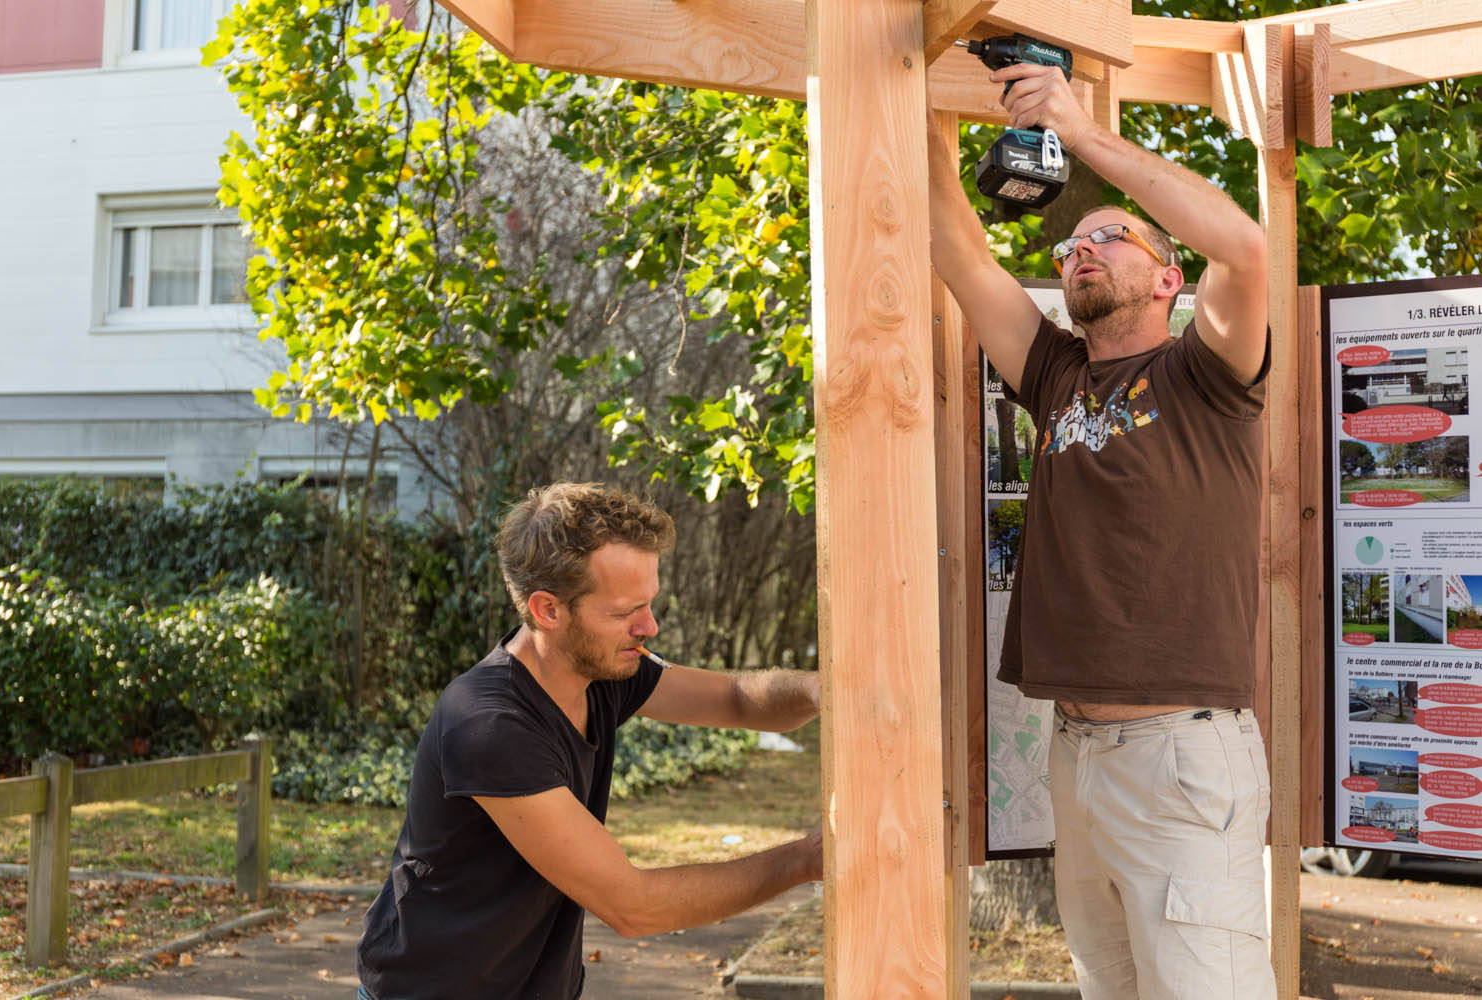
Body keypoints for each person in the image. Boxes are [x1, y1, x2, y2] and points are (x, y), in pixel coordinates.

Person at [928, 60, 1274, 999]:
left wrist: (1077, 133)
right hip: (1077, 753)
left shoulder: (1208, 375)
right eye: (1066, 247)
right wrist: (921, 93)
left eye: (1104, 238)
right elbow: (958, 252)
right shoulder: (1056, 376)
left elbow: (1243, 248)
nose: (1075, 252)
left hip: (1182, 756)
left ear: (1168, 277)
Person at [355, 482, 821, 999]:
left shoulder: (602, 674)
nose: (651, 625)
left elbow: (736, 698)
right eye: (626, 612)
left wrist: (826, 689)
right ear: (549, 610)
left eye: (649, 603)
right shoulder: (489, 725)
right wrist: (806, 860)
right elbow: (633, 905)